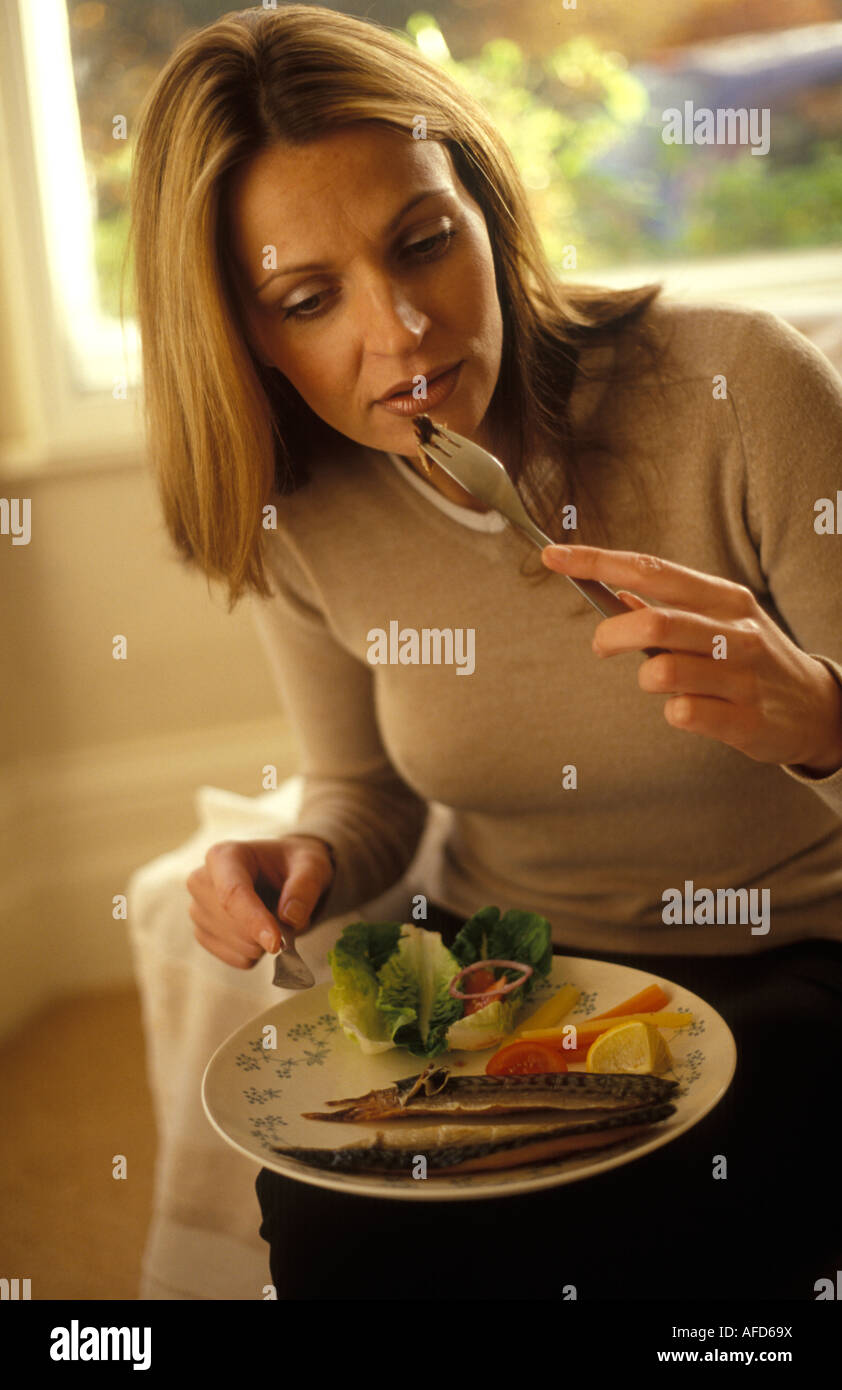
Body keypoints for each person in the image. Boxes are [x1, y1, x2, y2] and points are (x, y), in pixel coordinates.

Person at [128, 5, 842, 1299]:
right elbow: (370, 792)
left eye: (423, 240)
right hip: (500, 967)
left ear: (486, 209)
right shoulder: (300, 510)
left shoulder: (744, 389)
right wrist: (308, 855)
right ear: (242, 332)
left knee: (677, 1214)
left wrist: (816, 720)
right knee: (341, 1220)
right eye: (308, 296)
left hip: (791, 954)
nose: (401, 327)